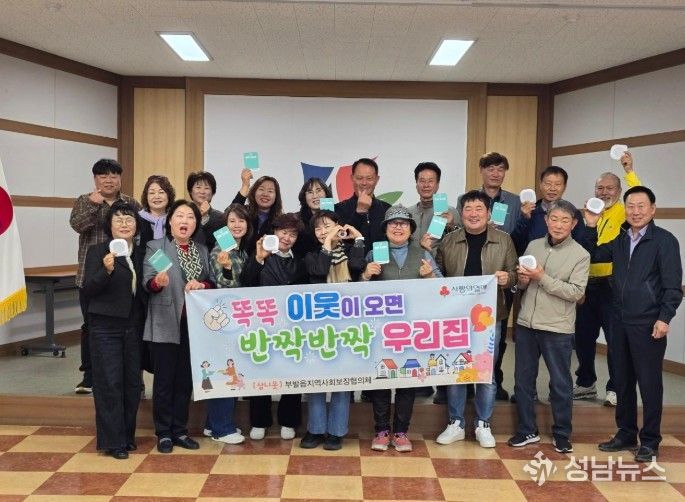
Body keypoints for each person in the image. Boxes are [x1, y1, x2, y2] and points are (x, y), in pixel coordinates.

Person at [584, 186, 682, 463]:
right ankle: (626, 433)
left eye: (641, 206)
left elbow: (673, 286)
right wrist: (590, 226)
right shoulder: (620, 239)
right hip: (618, 321)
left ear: (653, 209)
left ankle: (650, 440)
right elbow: (593, 255)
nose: (635, 211)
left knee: (649, 383)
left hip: (648, 323)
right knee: (623, 380)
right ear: (624, 209)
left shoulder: (664, 241)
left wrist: (665, 317)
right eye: (631, 206)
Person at [434, 191, 517, 448]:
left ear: (488, 213)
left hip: (489, 317)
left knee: (485, 371)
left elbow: (515, 273)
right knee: (456, 370)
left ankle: (483, 424)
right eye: (468, 209)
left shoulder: (504, 240)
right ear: (461, 213)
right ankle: (456, 423)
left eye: (479, 208)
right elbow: (438, 276)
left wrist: (509, 279)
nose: (473, 214)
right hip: (455, 317)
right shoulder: (449, 241)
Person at [508, 200, 589, 454]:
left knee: (560, 384)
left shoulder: (581, 254)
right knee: (523, 381)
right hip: (527, 324)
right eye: (554, 219)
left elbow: (576, 293)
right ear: (546, 221)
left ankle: (562, 434)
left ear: (573, 224)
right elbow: (523, 285)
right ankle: (526, 430)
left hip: (558, 328)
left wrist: (541, 277)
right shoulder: (533, 246)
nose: (558, 225)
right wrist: (522, 280)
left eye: (565, 221)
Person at [361, 206, 442, 452]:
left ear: (411, 230)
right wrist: (366, 275)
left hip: (412, 330)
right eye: (393, 223)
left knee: (407, 380)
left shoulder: (423, 253)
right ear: (385, 229)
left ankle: (401, 432)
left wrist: (430, 277)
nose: (398, 227)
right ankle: (381, 431)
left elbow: (442, 288)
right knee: (382, 379)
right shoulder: (374, 253)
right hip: (381, 329)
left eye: (403, 224)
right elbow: (357, 294)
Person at [508, 165, 585, 405]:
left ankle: (558, 404)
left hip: (558, 300)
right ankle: (527, 400)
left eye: (557, 184)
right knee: (525, 367)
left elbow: (581, 247)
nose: (552, 188)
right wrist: (524, 218)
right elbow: (516, 242)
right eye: (548, 183)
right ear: (540, 185)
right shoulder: (530, 210)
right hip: (529, 290)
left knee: (559, 367)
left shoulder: (573, 216)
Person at [143, 200, 215, 454]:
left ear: (196, 223)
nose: (185, 221)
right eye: (180, 216)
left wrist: (202, 285)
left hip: (194, 325)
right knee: (164, 382)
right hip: (165, 321)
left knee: (185, 381)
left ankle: (180, 430)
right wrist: (157, 282)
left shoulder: (202, 250)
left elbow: (211, 281)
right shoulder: (156, 247)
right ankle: (163, 433)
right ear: (170, 221)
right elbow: (147, 282)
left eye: (190, 217)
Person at [573, 152, 641, 406]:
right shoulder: (587, 213)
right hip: (586, 286)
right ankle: (585, 383)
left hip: (612, 287)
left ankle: (615, 388)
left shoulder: (625, 212)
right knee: (582, 338)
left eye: (609, 188)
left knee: (615, 341)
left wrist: (629, 171)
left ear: (619, 191)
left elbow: (639, 196)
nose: (604, 192)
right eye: (600, 188)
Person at [70, 158, 140, 394]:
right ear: (95, 179)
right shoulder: (85, 200)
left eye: (114, 175)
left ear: (120, 178)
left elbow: (140, 232)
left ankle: (131, 377)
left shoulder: (130, 202)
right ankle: (89, 376)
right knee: (91, 326)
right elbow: (77, 225)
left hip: (125, 277)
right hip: (93, 276)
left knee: (129, 327)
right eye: (103, 176)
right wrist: (93, 204)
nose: (109, 180)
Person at [81, 201, 145, 459]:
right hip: (105, 327)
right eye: (118, 219)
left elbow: (147, 287)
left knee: (132, 384)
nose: (124, 224)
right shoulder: (98, 251)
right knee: (109, 383)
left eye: (129, 219)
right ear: (109, 225)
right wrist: (106, 271)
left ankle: (127, 436)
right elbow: (88, 288)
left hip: (133, 327)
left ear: (137, 225)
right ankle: (112, 441)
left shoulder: (142, 252)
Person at [300, 210, 365, 450]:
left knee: (342, 378)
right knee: (315, 378)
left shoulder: (350, 252)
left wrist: (357, 237)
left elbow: (357, 266)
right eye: (318, 228)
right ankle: (315, 429)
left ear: (339, 226)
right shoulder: (310, 255)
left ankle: (337, 431)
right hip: (318, 325)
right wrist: (328, 242)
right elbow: (319, 270)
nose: (322, 231)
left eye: (327, 226)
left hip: (347, 324)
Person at [240, 213, 308, 441]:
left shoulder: (301, 261)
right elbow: (246, 283)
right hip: (263, 325)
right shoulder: (261, 256)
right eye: (283, 232)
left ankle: (289, 421)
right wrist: (258, 259)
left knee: (292, 371)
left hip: (292, 326)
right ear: (274, 232)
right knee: (261, 371)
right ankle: (259, 421)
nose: (287, 238)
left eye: (292, 234)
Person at [203, 203, 254, 445]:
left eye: (241, 221)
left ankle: (211, 424)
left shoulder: (241, 251)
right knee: (226, 372)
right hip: (225, 322)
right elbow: (226, 288)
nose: (237, 225)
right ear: (224, 225)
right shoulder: (219, 251)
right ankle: (222, 429)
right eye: (232, 221)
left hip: (238, 321)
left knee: (232, 370)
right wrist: (226, 268)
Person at [335, 158, 391, 254]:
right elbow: (340, 239)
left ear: (377, 180)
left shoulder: (387, 209)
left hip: (381, 263)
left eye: (369, 178)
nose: (364, 183)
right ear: (352, 178)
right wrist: (359, 213)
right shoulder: (339, 209)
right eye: (359, 178)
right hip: (350, 263)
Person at [408, 161, 459, 254]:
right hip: (412, 262)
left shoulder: (450, 212)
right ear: (416, 185)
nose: (426, 185)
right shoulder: (408, 212)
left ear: (437, 185)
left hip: (439, 262)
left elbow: (461, 244)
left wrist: (451, 226)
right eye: (422, 181)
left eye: (430, 181)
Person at [233, 175, 283, 253]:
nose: (265, 194)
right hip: (236, 259)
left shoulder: (280, 221)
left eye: (270, 191)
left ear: (276, 196)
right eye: (261, 189)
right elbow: (226, 219)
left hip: (264, 260)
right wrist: (245, 186)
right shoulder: (243, 212)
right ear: (254, 192)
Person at [293, 177, 334, 258]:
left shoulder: (335, 215)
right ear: (304, 197)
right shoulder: (296, 220)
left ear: (326, 193)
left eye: (319, 190)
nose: (315, 196)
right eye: (310, 192)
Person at [187, 171, 225, 250]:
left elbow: (227, 246)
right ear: (190, 191)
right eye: (198, 187)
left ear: (213, 193)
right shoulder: (183, 216)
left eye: (207, 188)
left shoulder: (220, 218)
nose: (202, 192)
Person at [139, 175, 176, 248]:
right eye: (152, 193)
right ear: (146, 196)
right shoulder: (137, 219)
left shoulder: (175, 219)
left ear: (168, 195)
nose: (157, 196)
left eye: (161, 192)